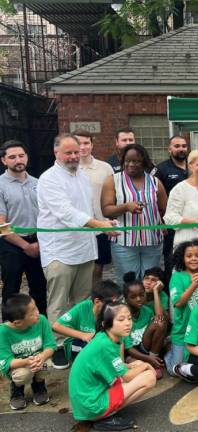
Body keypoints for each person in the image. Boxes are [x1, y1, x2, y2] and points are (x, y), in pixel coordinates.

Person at [37, 133, 117, 370]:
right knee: (58, 302)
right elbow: (66, 213)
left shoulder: (81, 176)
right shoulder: (48, 179)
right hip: (59, 250)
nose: (73, 156)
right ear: (56, 153)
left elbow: (89, 210)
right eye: (68, 152)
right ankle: (58, 346)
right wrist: (99, 225)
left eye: (76, 152)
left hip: (84, 248)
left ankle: (79, 340)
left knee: (82, 301)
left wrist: (104, 228)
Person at [68, 301, 156, 431]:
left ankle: (106, 412)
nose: (127, 323)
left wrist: (134, 365)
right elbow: (126, 377)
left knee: (137, 364)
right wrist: (147, 365)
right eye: (121, 319)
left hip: (87, 400)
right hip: (91, 405)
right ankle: (105, 416)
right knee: (149, 377)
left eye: (129, 318)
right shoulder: (105, 345)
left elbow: (115, 366)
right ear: (106, 323)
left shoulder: (104, 337)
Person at [102, 144, 167, 283]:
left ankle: (147, 305)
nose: (131, 164)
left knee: (150, 281)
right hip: (124, 242)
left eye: (136, 161)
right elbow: (106, 210)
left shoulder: (155, 181)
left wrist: (163, 223)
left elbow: (165, 208)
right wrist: (126, 207)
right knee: (127, 281)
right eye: (127, 161)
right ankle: (127, 306)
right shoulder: (113, 180)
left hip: (152, 241)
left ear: (144, 161)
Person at [0, 140, 47, 314]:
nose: (18, 160)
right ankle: (10, 330)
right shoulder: (0, 185)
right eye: (12, 157)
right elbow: (1, 225)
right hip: (11, 244)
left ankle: (39, 325)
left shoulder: (39, 183)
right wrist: (26, 246)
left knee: (40, 288)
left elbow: (48, 216)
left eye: (21, 156)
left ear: (27, 157)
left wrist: (38, 243)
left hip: (39, 241)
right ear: (4, 161)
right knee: (11, 290)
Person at [165, 239, 198, 374]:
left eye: (197, 255)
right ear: (182, 258)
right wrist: (194, 284)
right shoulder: (177, 277)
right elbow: (178, 303)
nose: (194, 259)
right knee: (175, 370)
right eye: (189, 256)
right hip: (182, 331)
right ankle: (169, 351)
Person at [0, 294, 55, 410]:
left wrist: (43, 356)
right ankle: (17, 390)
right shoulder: (3, 332)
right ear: (18, 323)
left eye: (35, 307)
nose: (37, 312)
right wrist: (27, 362)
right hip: (19, 366)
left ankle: (39, 385)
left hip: (38, 361)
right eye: (32, 312)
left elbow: (50, 345)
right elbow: (6, 362)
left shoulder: (42, 320)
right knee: (23, 375)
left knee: (48, 366)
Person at [74, 129, 115, 282]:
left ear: (92, 145)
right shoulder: (69, 168)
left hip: (100, 226)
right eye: (79, 143)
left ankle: (95, 300)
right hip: (78, 227)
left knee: (98, 268)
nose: (83, 147)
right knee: (80, 269)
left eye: (86, 143)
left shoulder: (105, 168)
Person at [52, 280, 122, 367]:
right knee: (91, 346)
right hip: (79, 344)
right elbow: (56, 326)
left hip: (101, 344)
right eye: (111, 302)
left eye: (117, 302)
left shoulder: (115, 310)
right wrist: (83, 335)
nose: (115, 305)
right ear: (97, 301)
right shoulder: (83, 307)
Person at [152, 135, 189, 276]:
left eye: (184, 146)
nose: (181, 149)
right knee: (172, 258)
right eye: (177, 146)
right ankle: (171, 291)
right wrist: (161, 222)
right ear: (169, 149)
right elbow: (153, 198)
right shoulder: (161, 169)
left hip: (193, 221)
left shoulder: (192, 166)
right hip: (172, 223)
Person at [123, 273, 167, 378]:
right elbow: (128, 348)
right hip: (130, 353)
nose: (138, 299)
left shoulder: (147, 311)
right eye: (133, 297)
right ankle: (148, 363)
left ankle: (153, 360)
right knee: (140, 369)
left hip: (144, 347)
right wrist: (147, 359)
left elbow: (160, 319)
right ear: (126, 299)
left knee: (159, 323)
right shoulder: (122, 316)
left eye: (141, 295)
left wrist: (150, 358)